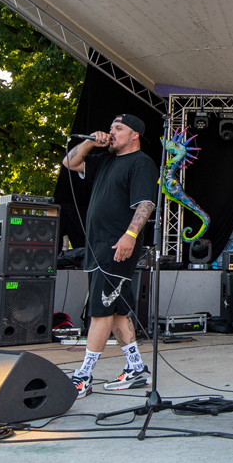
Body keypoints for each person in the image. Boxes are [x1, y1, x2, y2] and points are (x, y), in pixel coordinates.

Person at [61, 113, 158, 395]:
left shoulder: (141, 163)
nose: (111, 132)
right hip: (98, 245)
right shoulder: (104, 160)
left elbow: (145, 204)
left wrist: (131, 235)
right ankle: (136, 368)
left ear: (134, 135)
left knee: (100, 311)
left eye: (118, 128)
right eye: (111, 127)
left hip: (116, 247)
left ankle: (84, 375)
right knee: (116, 310)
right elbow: (70, 163)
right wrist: (91, 142)